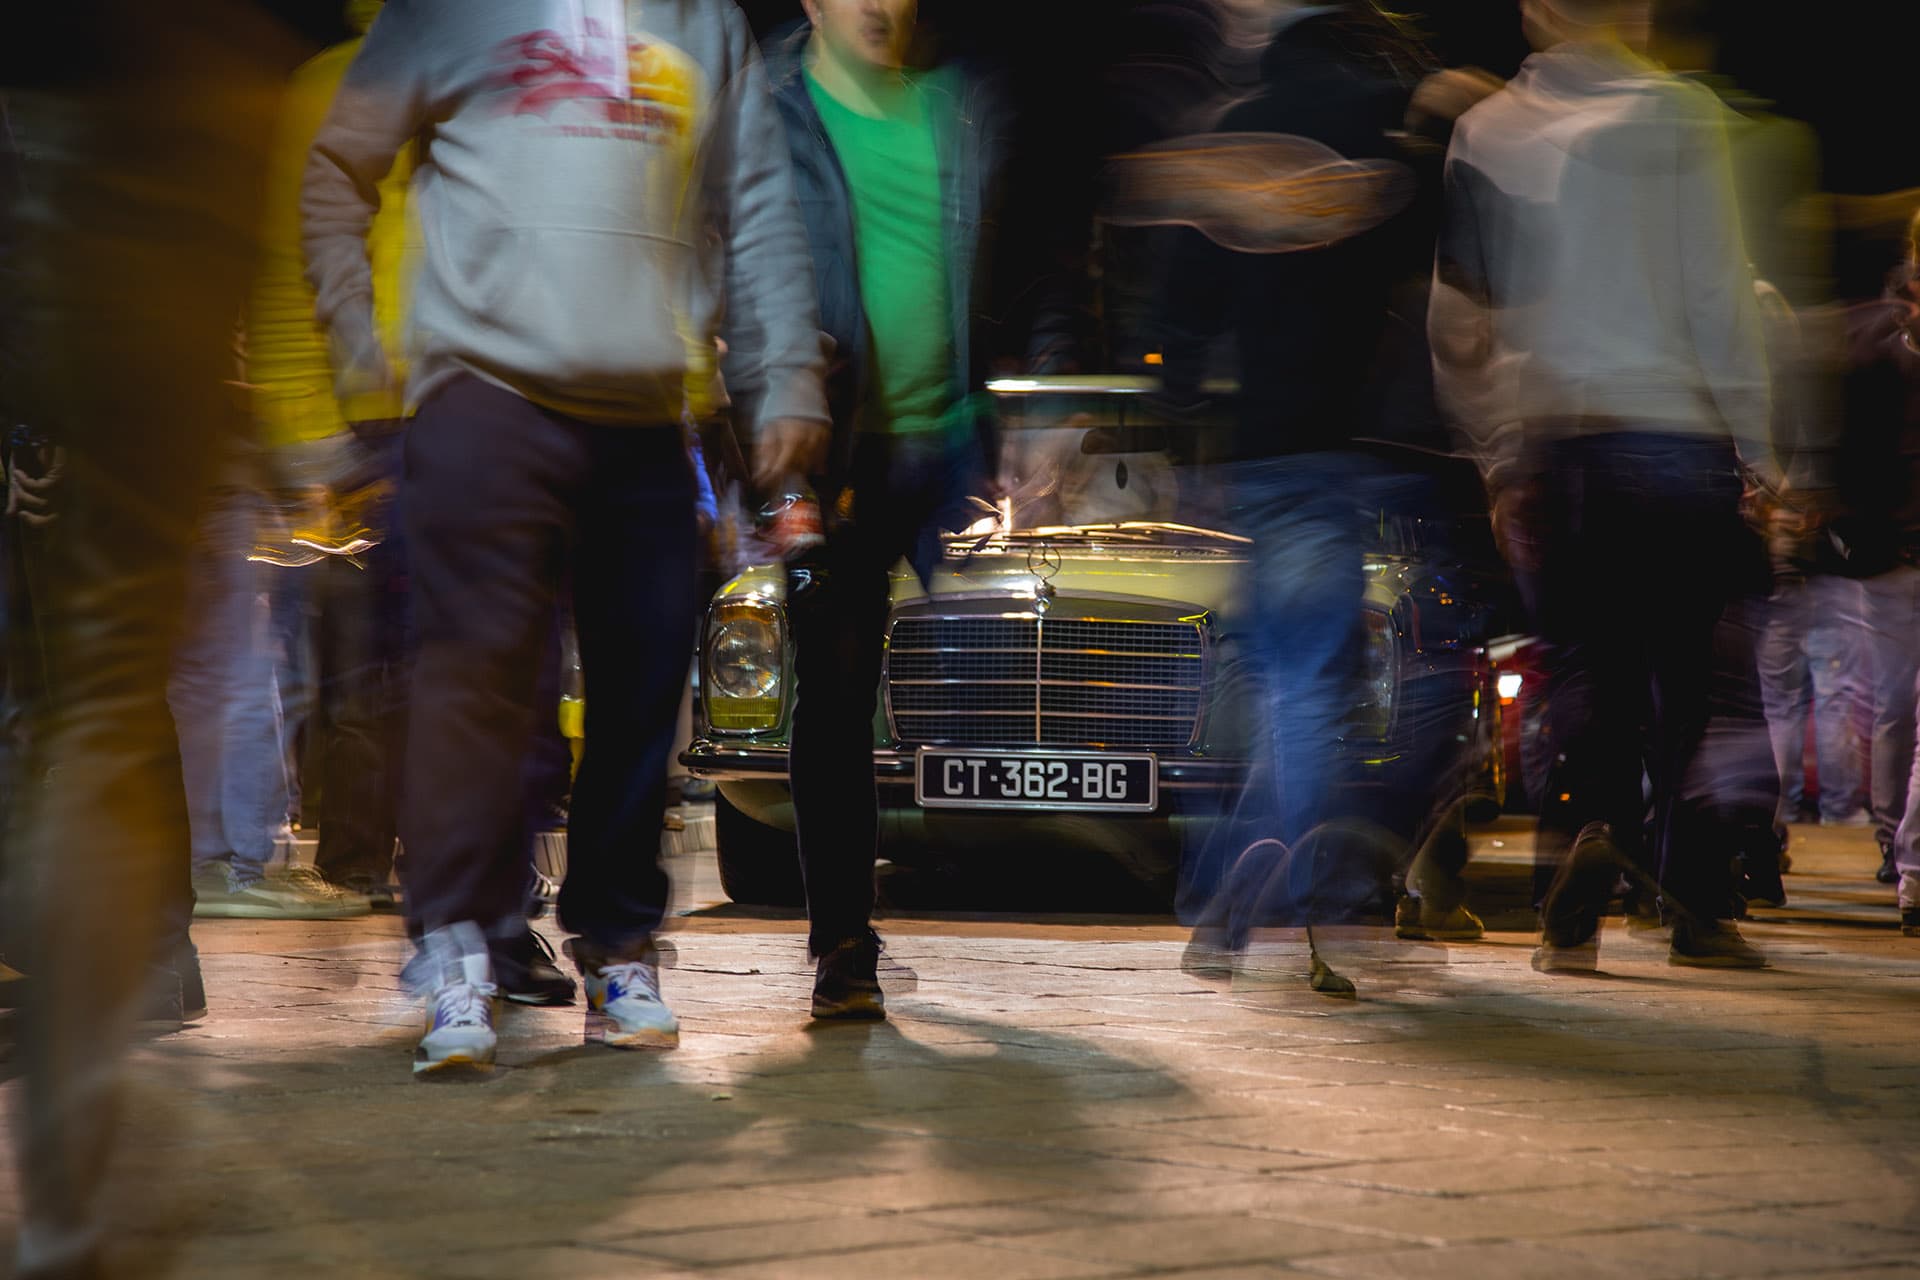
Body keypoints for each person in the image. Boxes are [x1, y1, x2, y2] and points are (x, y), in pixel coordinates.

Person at [303, 0, 828, 1074]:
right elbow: (336, 168)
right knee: (478, 683)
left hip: (644, 408)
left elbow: (758, 209)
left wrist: (783, 377)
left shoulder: (705, 22)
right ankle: (455, 942)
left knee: (642, 687)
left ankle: (618, 942)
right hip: (483, 394)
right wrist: (360, 346)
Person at [1, 3, 286, 1271]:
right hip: (174, 144)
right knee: (104, 692)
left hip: (107, 148)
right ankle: (67, 1207)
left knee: (82, 700)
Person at [1432, 0, 1779, 970]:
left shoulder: (1487, 129)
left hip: (1559, 445)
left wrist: (1496, 452)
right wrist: (1764, 448)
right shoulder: (1684, 115)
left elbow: (1459, 317)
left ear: (1536, 13)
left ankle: (1575, 885)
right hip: (1676, 437)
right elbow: (1718, 291)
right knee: (1686, 682)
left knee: (1584, 671)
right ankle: (1696, 905)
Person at [730, 0, 1004, 1019]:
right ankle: (844, 944)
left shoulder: (961, 104)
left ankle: (980, 866)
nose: (879, 4)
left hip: (956, 455)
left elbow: (1026, 259)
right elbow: (730, 263)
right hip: (827, 460)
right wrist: (766, 400)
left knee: (998, 672)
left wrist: (1036, 398)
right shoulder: (765, 108)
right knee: (835, 690)